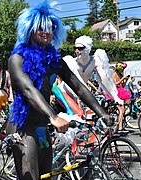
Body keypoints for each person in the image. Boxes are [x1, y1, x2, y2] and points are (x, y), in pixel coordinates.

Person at [7, 1, 110, 179]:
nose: (47, 32)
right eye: (41, 28)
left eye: (51, 28)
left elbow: (78, 86)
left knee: (47, 176)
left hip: (42, 124)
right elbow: (28, 89)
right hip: (23, 126)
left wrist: (102, 113)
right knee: (30, 177)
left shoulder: (53, 59)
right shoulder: (17, 59)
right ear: (30, 29)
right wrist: (53, 116)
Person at [111, 62, 131, 132]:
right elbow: (115, 84)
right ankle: (120, 127)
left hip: (120, 91)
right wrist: (122, 78)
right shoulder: (114, 74)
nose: (122, 70)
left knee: (123, 110)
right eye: (121, 69)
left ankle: (121, 124)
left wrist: (126, 80)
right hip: (116, 93)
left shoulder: (120, 75)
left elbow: (122, 86)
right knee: (121, 110)